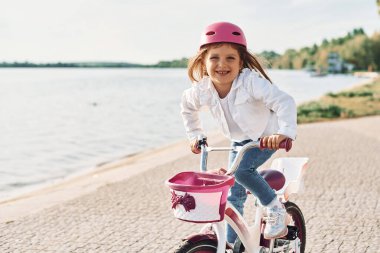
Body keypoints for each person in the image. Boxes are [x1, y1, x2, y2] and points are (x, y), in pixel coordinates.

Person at [180, 21, 297, 244]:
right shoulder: (202, 89)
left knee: (243, 172)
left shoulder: (251, 82)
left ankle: (275, 208)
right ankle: (233, 244)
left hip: (264, 138)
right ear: (203, 61)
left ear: (240, 61)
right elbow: (187, 107)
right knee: (232, 191)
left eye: (230, 58)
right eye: (214, 57)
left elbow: (285, 102)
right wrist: (195, 134)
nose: (221, 64)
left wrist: (284, 132)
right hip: (238, 141)